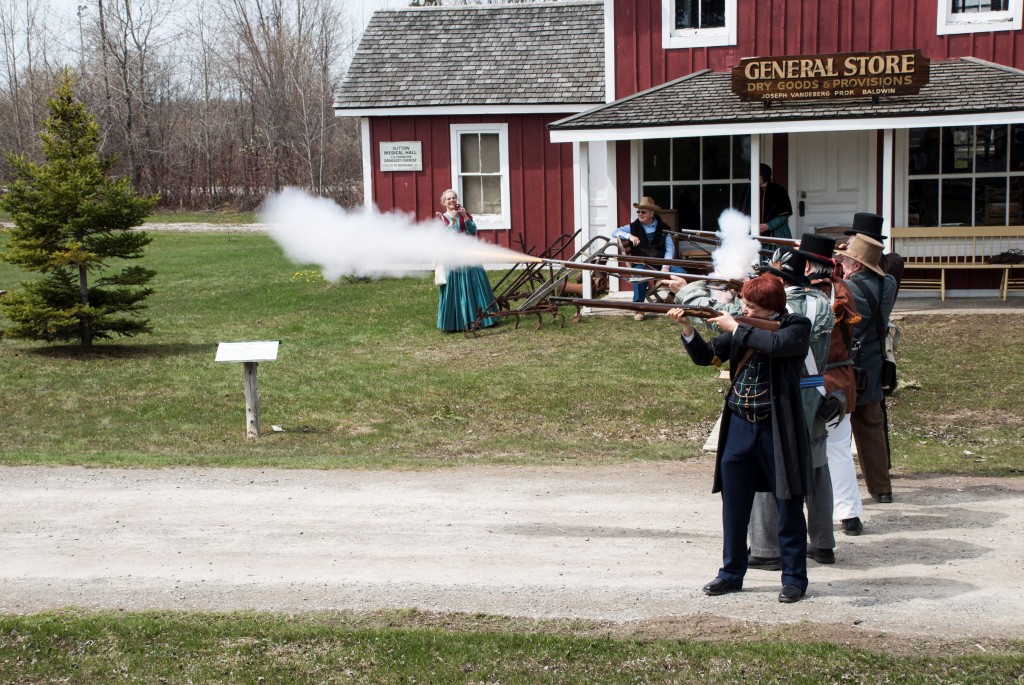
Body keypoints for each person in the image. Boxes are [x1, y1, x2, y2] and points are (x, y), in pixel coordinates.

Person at [668, 274, 813, 604]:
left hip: (776, 428)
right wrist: (688, 329)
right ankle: (731, 573)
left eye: (753, 307)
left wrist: (736, 326)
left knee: (788, 504)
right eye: (745, 304)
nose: (744, 309)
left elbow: (777, 345)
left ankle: (793, 578)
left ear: (773, 308)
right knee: (734, 506)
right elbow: (707, 357)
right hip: (738, 426)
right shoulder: (742, 326)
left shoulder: (796, 325)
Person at [747, 248, 836, 570]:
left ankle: (766, 547)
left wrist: (687, 291)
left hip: (782, 394)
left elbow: (731, 328)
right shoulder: (821, 302)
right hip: (815, 390)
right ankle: (824, 542)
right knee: (816, 466)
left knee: (767, 469)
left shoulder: (785, 309)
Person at [798, 234, 865, 537]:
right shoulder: (842, 288)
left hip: (817, 381)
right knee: (838, 449)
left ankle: (814, 518)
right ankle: (849, 514)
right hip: (842, 378)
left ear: (809, 264)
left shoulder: (807, 296)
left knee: (811, 451)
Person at [835, 228, 897, 504]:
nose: (842, 263)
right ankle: (881, 488)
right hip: (874, 365)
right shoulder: (890, 283)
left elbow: (847, 328)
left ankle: (840, 496)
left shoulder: (851, 288)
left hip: (851, 367)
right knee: (872, 427)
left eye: (846, 259)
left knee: (836, 434)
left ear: (857, 264)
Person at [435, 189, 498, 332]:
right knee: (456, 290)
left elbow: (472, 231)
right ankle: (457, 322)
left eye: (454, 198)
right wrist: (451, 222)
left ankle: (485, 319)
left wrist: (465, 217)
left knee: (477, 285)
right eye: (448, 199)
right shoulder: (441, 219)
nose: (452, 200)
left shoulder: (463, 214)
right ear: (444, 203)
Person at [613, 197, 676, 320]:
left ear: (652, 213)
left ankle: (672, 297)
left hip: (660, 262)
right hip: (641, 263)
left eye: (643, 212)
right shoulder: (633, 226)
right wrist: (629, 236)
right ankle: (639, 308)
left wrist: (666, 266)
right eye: (638, 212)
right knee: (639, 275)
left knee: (682, 273)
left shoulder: (664, 227)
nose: (639, 214)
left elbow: (670, 249)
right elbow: (615, 232)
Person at [757, 164, 793, 239]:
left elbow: (785, 214)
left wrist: (769, 225)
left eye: (758, 174)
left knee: (777, 250)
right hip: (755, 233)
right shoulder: (748, 192)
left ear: (764, 175)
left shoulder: (778, 190)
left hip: (776, 232)